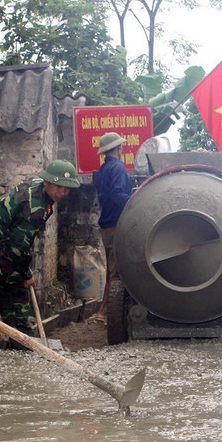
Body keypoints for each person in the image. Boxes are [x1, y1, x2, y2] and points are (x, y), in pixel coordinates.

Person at [0, 160, 80, 352]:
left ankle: (22, 339)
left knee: (14, 289)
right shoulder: (35, 208)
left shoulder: (43, 194)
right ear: (47, 183)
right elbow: (20, 247)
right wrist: (26, 274)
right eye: (59, 188)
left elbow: (17, 246)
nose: (63, 193)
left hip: (5, 244)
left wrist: (21, 275)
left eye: (67, 189)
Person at [91, 132, 133, 324]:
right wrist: (135, 203)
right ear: (119, 148)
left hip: (107, 224)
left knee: (113, 270)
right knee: (117, 272)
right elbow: (117, 193)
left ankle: (105, 311)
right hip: (116, 224)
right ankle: (106, 313)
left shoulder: (103, 169)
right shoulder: (117, 167)